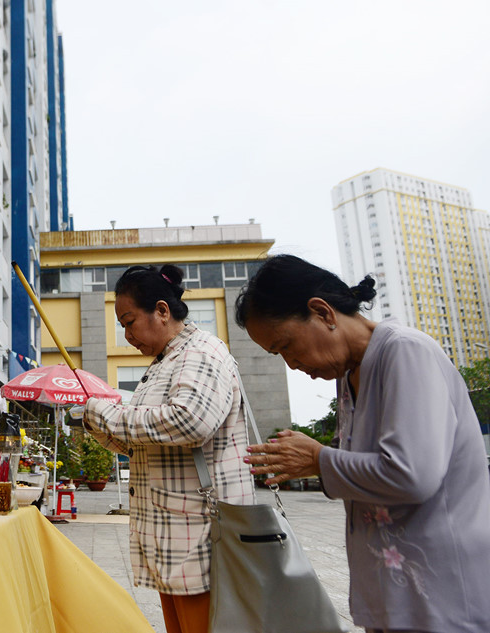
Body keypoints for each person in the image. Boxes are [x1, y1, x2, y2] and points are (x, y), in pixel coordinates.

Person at [235, 254, 490, 633]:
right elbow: (362, 472)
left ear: (322, 312)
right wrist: (316, 461)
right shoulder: (349, 374)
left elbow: (412, 475)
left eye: (287, 346)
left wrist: (319, 459)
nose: (292, 364)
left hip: (443, 592)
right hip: (391, 594)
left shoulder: (405, 351)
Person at [80, 264, 254, 633]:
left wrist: (106, 413)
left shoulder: (201, 352)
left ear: (161, 310)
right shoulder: (163, 364)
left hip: (201, 535)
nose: (127, 335)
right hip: (172, 536)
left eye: (129, 322)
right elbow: (140, 443)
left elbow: (190, 421)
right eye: (122, 326)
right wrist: (95, 423)